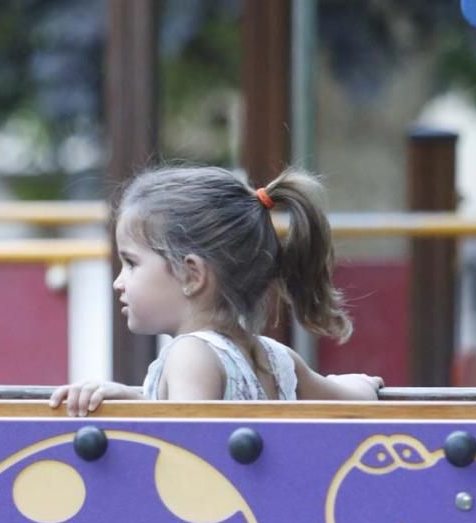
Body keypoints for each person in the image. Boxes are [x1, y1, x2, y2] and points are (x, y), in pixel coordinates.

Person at [50, 165, 384, 416]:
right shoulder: (276, 359)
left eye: (131, 263)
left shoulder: (190, 355)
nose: (118, 282)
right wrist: (133, 399)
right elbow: (353, 396)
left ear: (192, 275)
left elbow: (188, 455)